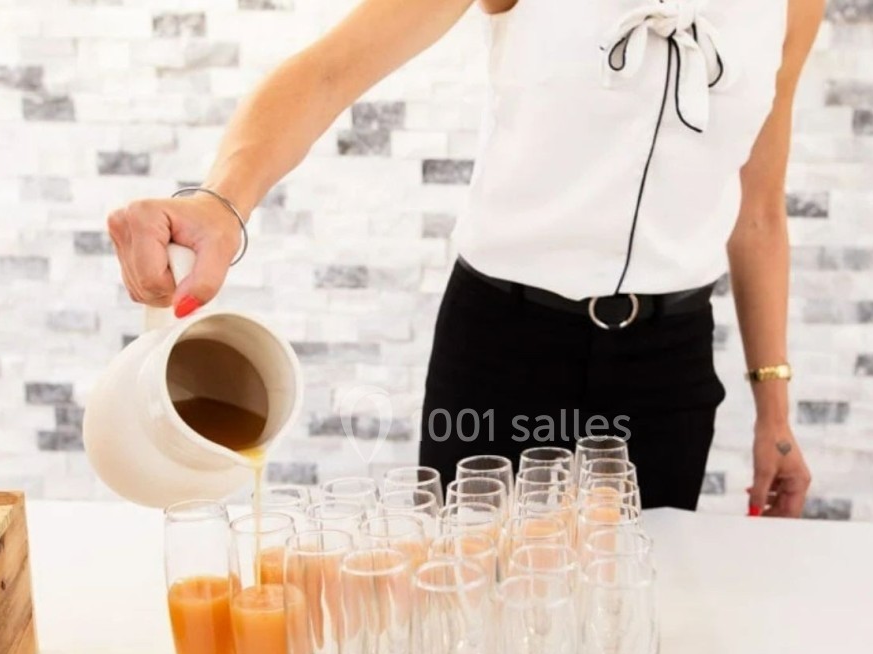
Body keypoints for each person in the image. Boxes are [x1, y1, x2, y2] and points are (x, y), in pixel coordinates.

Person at [108, 0, 823, 516]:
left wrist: (776, 416)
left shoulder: (791, 6)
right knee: (465, 614)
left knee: (629, 630)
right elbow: (329, 73)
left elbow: (758, 211)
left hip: (666, 368)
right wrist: (220, 202)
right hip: (504, 348)